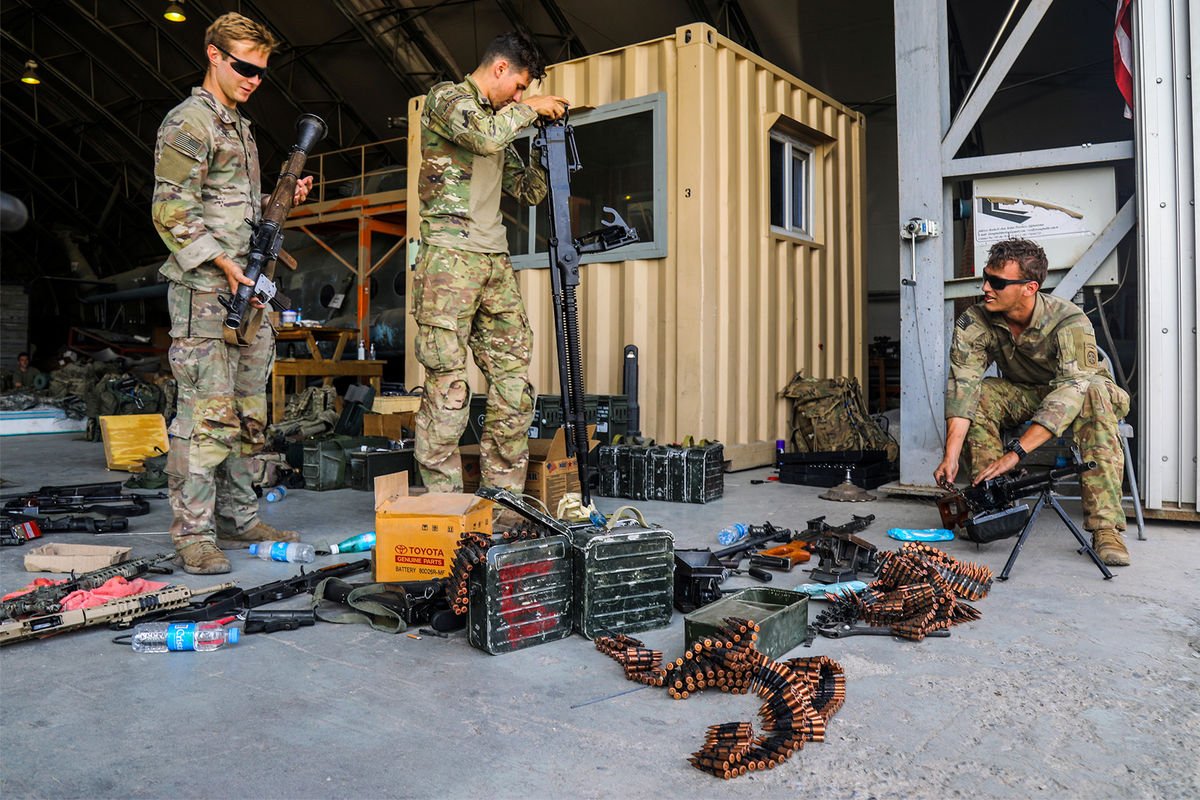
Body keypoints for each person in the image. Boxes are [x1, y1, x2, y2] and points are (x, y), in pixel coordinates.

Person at [150, 13, 312, 574]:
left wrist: (279, 197)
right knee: (202, 414)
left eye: (262, 72)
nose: (253, 79)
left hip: (248, 291)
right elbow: (171, 206)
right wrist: (222, 262)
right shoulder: (190, 121)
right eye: (245, 67)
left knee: (247, 410)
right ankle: (194, 534)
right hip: (204, 292)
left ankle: (239, 517)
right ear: (214, 55)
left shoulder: (238, 127)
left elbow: (228, 204)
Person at [412, 31, 568, 493]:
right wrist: (529, 109)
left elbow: (530, 189)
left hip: (493, 260)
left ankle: (503, 505)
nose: (521, 96)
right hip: (449, 258)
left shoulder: (502, 121)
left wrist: (549, 144)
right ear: (499, 69)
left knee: (513, 386)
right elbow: (481, 138)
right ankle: (444, 508)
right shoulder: (448, 99)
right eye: (519, 86)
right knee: (448, 387)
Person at [933, 238, 1132, 566]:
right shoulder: (976, 320)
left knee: (1093, 393)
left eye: (997, 282)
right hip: (1026, 393)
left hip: (1084, 393)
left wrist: (1016, 454)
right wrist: (950, 455)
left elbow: (1071, 389)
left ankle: (1106, 527)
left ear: (1030, 287)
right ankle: (992, 508)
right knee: (982, 393)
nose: (985, 288)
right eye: (986, 278)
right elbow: (963, 386)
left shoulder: (1068, 319)